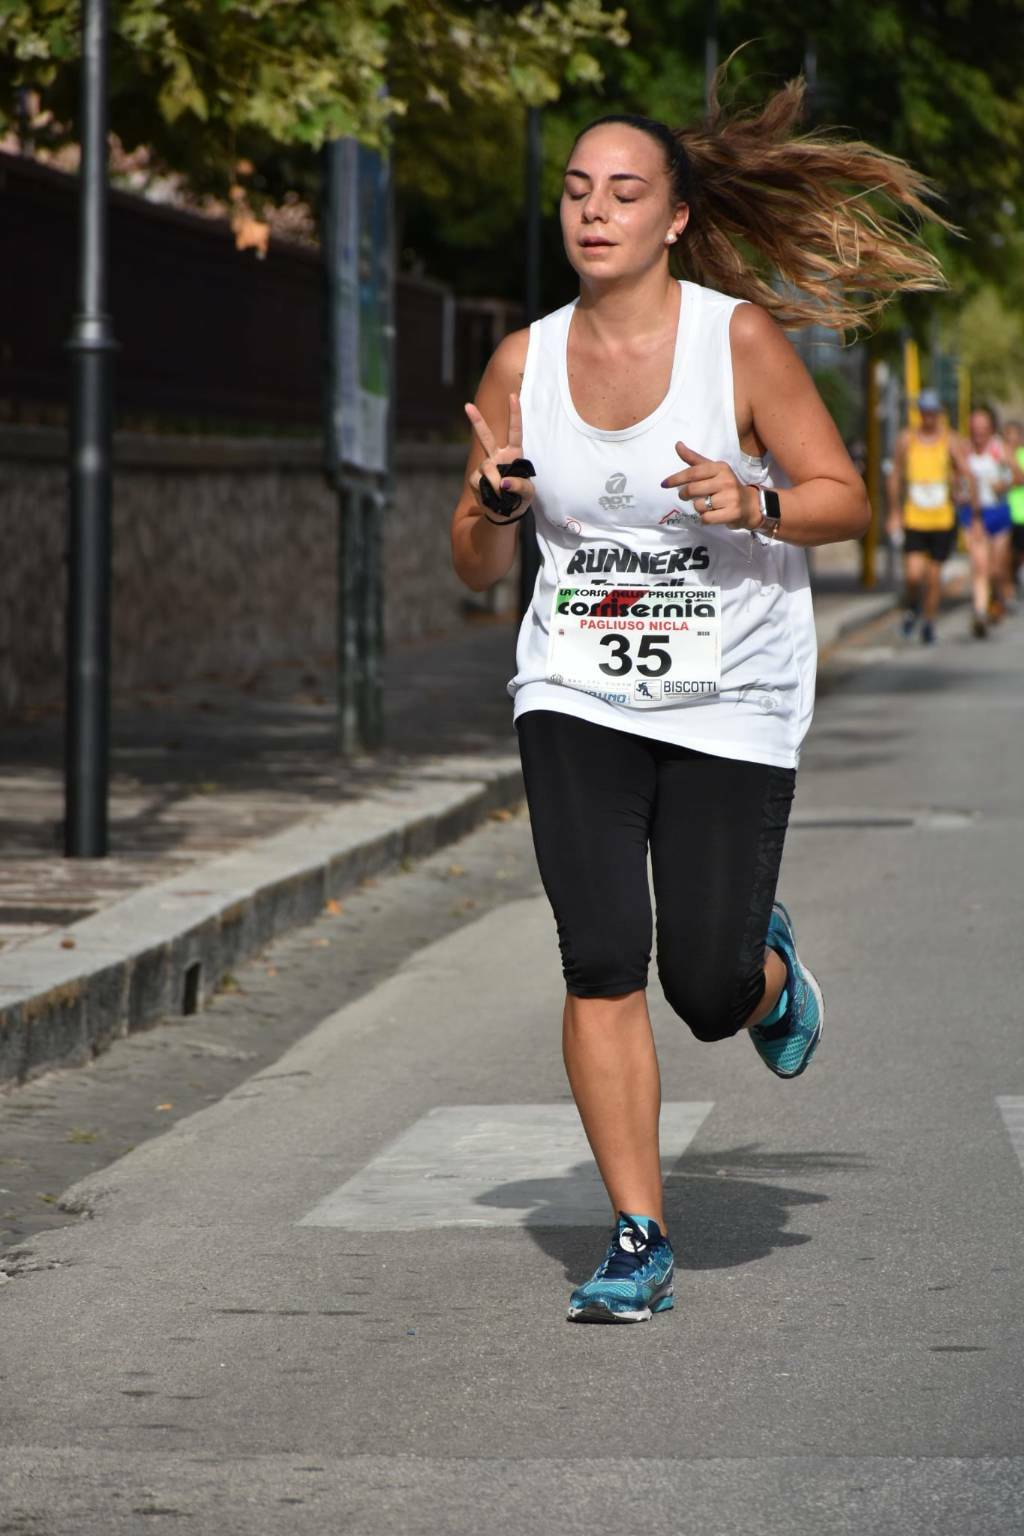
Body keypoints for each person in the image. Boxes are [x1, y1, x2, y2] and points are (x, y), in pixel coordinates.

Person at [451, 76, 947, 1324]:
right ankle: (636, 1234)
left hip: (729, 693)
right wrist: (495, 507)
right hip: (574, 688)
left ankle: (766, 970)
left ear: (673, 219)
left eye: (624, 193)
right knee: (601, 954)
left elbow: (846, 498)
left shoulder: (736, 343)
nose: (594, 213)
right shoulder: (526, 360)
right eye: (576, 192)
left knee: (707, 993)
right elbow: (471, 566)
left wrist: (756, 503)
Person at [886, 388, 971, 644]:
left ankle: (929, 623)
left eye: (933, 413)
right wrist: (894, 512)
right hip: (914, 517)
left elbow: (965, 472)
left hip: (942, 519)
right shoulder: (906, 439)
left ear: (939, 414)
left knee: (934, 577)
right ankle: (913, 607)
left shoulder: (950, 440)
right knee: (913, 575)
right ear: (920, 413)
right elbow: (895, 475)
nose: (929, 417)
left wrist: (961, 491)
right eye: (925, 412)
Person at [958, 406, 1014, 637]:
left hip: (998, 512)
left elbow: (1019, 476)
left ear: (991, 428)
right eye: (975, 427)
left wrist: (1005, 483)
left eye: (983, 427)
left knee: (997, 569)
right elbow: (953, 476)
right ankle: (980, 613)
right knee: (979, 565)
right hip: (972, 515)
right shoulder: (963, 448)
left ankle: (997, 598)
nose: (979, 431)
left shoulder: (999, 448)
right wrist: (957, 491)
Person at [1003, 420, 1024, 599]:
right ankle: (1008, 587)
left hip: (1021, 512)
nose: (1011, 439)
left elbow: (1020, 478)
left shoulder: (1020, 455)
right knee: (1007, 554)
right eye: (1007, 436)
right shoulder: (1000, 455)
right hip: (1005, 511)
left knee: (1019, 552)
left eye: (1014, 435)